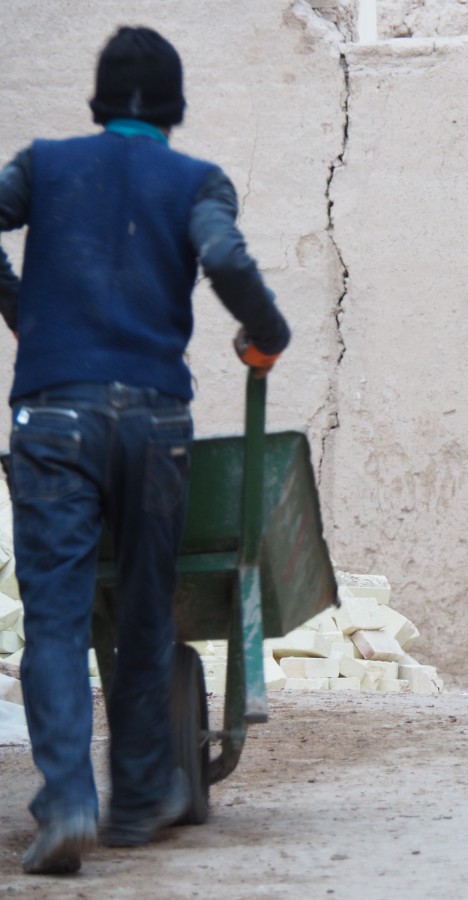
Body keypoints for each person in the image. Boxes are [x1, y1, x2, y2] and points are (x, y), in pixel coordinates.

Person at [0, 26, 290, 874]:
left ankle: (67, 803)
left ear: (98, 100)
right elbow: (222, 253)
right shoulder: (196, 180)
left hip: (53, 415)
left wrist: (22, 310)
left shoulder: (44, 167)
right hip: (156, 421)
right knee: (145, 613)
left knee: (56, 620)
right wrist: (267, 333)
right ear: (174, 106)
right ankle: (132, 805)